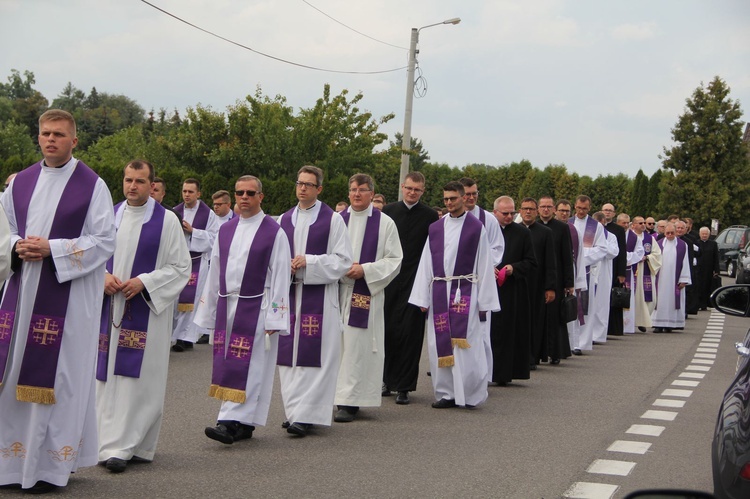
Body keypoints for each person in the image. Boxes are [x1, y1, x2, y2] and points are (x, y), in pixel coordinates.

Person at [0, 109, 116, 493]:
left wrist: (54, 248)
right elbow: (4, 232)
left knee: (60, 380)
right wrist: (15, 246)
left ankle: (49, 469)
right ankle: (10, 466)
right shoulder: (19, 184)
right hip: (20, 297)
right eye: (46, 133)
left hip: (66, 303)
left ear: (74, 140)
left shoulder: (92, 185)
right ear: (38, 137)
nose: (51, 139)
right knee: (12, 376)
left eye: (59, 134)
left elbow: (103, 241)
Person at [96, 160, 190, 472]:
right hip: (109, 307)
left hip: (146, 310)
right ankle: (106, 441)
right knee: (106, 377)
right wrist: (103, 277)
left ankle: (129, 445)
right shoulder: (108, 215)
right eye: (128, 180)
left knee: (139, 381)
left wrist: (144, 282)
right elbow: (93, 254)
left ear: (152, 186)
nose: (132, 186)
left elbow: (180, 268)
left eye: (139, 181)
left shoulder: (167, 222)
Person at [196, 175, 291, 444]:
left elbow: (282, 275)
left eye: (250, 192)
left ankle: (227, 421)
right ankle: (245, 423)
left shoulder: (274, 231)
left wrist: (277, 314)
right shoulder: (225, 230)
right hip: (228, 303)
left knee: (250, 366)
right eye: (240, 193)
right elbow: (215, 271)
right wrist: (209, 309)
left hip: (257, 306)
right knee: (232, 362)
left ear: (261, 196)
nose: (244, 197)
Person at [277, 166, 352, 437]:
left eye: (309, 184)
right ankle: (294, 410)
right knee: (289, 359)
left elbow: (343, 261)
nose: (303, 188)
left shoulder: (332, 220)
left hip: (319, 298)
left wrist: (309, 261)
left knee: (316, 357)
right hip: (290, 296)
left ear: (319, 189)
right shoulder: (283, 220)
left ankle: (307, 415)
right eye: (300, 183)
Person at [409, 182, 499, 408]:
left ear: (463, 198)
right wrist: (422, 297)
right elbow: (426, 262)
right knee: (439, 344)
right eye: (446, 199)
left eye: (453, 198)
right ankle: (446, 393)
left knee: (466, 344)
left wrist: (485, 300)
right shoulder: (436, 228)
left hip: (465, 291)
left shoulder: (476, 227)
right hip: (439, 290)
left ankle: (470, 394)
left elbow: (485, 263)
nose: (449, 202)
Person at [334, 174, 402, 423]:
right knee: (335, 346)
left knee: (357, 347)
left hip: (365, 294)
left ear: (372, 194)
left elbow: (395, 260)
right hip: (337, 291)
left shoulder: (385, 224)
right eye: (352, 189)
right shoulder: (336, 221)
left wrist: (366, 270)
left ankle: (350, 401)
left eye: (362, 190)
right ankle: (333, 395)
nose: (356, 194)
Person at [382, 172, 439, 404]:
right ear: (402, 187)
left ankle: (404, 386)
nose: (412, 192)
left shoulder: (430, 216)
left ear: (423, 191)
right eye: (409, 188)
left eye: (417, 190)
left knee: (410, 334)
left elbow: (434, 251)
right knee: (387, 331)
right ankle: (386, 380)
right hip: (389, 280)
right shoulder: (388, 212)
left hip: (416, 281)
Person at [459, 177, 504, 378]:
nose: (471, 198)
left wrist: (485, 265)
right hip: (455, 283)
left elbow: (497, 248)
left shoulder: (489, 219)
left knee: (482, 332)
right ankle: (456, 371)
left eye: (474, 193)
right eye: (467, 194)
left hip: (479, 282)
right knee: (455, 329)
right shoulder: (446, 219)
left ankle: (482, 375)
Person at [490, 196, 536, 384]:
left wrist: (513, 268)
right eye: (505, 213)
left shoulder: (522, 233)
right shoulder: (486, 231)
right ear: (495, 213)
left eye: (512, 213)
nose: (509, 216)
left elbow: (531, 262)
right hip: (489, 289)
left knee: (508, 332)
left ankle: (504, 374)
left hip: (512, 290)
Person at [171, 178, 219, 352]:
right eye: (184, 191)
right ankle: (175, 335)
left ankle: (186, 337)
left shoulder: (208, 214)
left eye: (190, 192)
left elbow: (214, 238)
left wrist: (193, 232)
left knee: (192, 301)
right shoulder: (174, 212)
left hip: (197, 262)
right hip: (177, 262)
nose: (186, 195)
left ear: (198, 194)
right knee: (176, 300)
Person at [568, 196, 608, 354]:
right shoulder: (568, 223)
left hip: (585, 272)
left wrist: (581, 257)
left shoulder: (596, 226)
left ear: (589, 208)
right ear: (575, 206)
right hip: (568, 271)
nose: (581, 211)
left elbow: (602, 249)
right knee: (568, 306)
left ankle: (581, 343)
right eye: (578, 208)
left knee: (585, 308)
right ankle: (569, 341)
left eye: (584, 208)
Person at [538, 196, 574, 364]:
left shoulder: (561, 228)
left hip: (557, 279)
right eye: (543, 206)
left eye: (549, 207)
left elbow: (567, 257)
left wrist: (569, 283)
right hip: (537, 278)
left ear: (554, 209)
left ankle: (556, 352)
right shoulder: (532, 227)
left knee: (555, 317)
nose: (546, 209)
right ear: (538, 208)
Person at [519, 198, 555, 368]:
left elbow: (550, 262)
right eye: (525, 208)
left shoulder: (545, 232)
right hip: (518, 282)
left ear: (536, 211)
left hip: (537, 283)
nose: (528, 212)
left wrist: (550, 287)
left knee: (535, 321)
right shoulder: (515, 230)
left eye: (531, 209)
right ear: (520, 211)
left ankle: (532, 356)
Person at [587, 212, 621, 345]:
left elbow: (614, 252)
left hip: (603, 274)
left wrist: (600, 249)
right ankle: (587, 334)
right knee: (588, 303)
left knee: (601, 304)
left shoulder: (610, 236)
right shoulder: (588, 235)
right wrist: (596, 250)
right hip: (590, 270)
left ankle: (598, 335)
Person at [623, 216, 661, 333]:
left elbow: (657, 254)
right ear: (633, 225)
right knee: (630, 297)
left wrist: (647, 257)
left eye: (644, 223)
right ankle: (628, 322)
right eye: (640, 223)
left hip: (644, 270)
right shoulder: (628, 237)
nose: (643, 225)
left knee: (650, 299)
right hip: (630, 270)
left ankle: (642, 321)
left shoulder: (649, 239)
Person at [652, 223, 691, 332]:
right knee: (659, 301)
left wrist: (684, 279)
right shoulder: (658, 244)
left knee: (673, 301)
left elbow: (686, 263)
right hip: (660, 280)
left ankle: (670, 324)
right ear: (664, 233)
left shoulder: (683, 245)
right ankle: (658, 324)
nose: (669, 235)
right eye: (667, 233)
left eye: (672, 233)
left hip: (675, 280)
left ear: (676, 233)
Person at [603, 207, 627, 337]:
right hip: (600, 268)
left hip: (614, 267)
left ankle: (614, 328)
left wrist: (622, 273)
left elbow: (622, 251)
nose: (607, 212)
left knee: (614, 298)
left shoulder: (618, 230)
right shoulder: (596, 227)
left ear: (614, 213)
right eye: (605, 210)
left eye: (610, 210)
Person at [696, 226, 719, 310]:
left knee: (706, 286)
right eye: (703, 234)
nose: (704, 235)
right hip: (698, 269)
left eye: (706, 234)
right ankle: (697, 304)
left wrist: (716, 270)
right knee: (698, 286)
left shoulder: (713, 244)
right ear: (699, 234)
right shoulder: (696, 243)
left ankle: (704, 304)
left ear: (709, 235)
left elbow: (716, 257)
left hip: (708, 269)